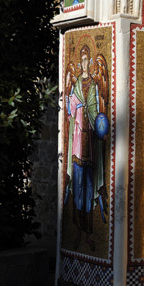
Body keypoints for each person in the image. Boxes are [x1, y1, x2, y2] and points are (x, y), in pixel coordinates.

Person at [65, 44, 107, 250]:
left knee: (89, 189)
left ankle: (88, 232)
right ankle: (77, 230)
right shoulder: (75, 86)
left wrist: (86, 112)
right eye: (81, 60)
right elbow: (69, 110)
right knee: (78, 186)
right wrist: (72, 105)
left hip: (89, 144)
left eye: (85, 60)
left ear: (89, 62)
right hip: (76, 145)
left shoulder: (94, 85)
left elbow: (96, 110)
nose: (83, 63)